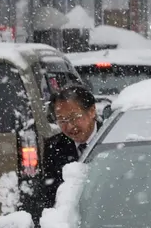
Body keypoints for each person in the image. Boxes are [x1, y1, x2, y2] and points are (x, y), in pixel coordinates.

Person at [30, 84, 102, 219]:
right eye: (62, 120)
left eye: (74, 117)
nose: (69, 126)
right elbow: (48, 194)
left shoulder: (113, 139)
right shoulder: (54, 147)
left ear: (92, 111)